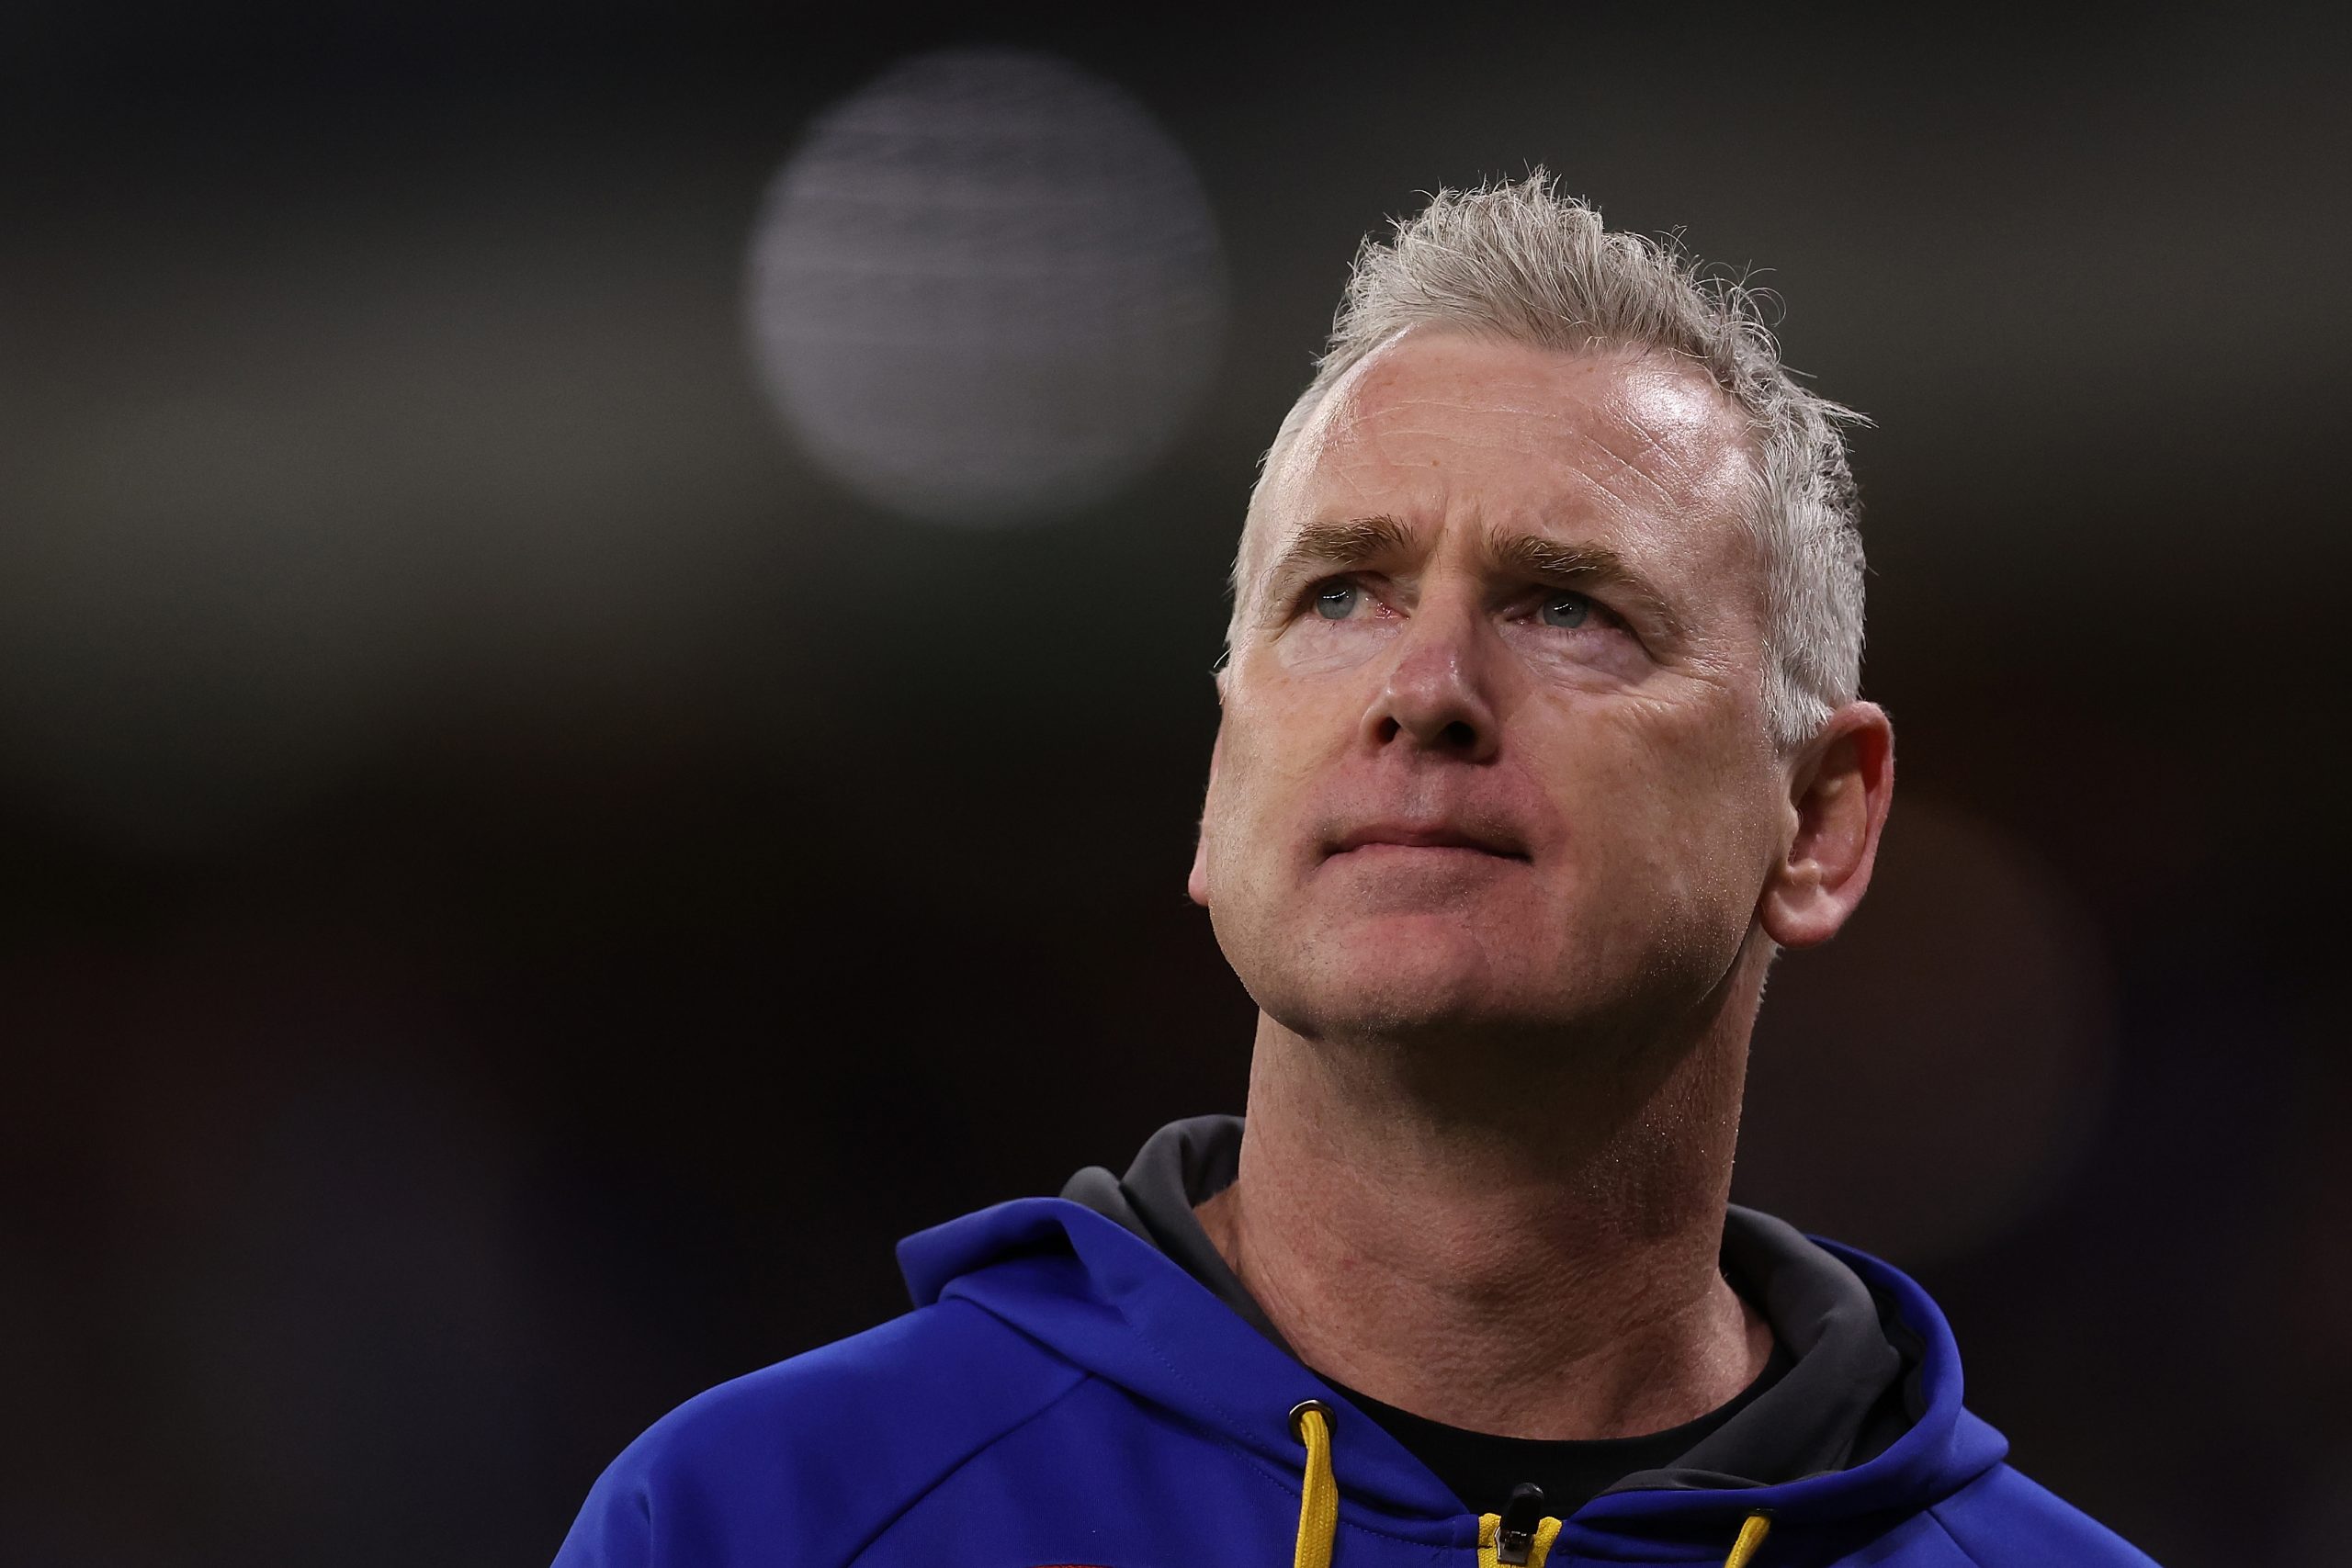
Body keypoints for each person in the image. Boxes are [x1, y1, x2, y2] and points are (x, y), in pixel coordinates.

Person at [553, 174, 2155, 1568]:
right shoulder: (765, 1521)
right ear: (1218, 784)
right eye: (1340, 596)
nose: (1426, 685)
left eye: (1567, 607)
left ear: (1819, 825)